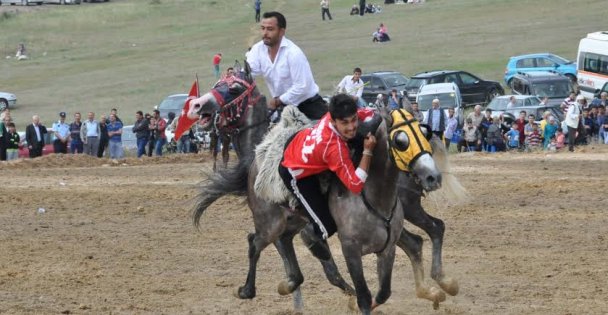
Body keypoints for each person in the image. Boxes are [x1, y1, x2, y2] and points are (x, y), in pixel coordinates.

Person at [279, 94, 377, 245]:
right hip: (294, 170)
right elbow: (356, 185)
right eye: (345, 123)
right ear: (333, 121)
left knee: (358, 135)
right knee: (327, 227)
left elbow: (365, 113)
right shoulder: (334, 149)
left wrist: (372, 114)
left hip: (302, 141)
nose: (351, 127)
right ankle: (309, 234)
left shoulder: (331, 114)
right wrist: (368, 152)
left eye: (353, 120)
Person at [246, 11, 328, 120]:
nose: (265, 33)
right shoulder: (258, 49)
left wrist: (278, 100)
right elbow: (249, 72)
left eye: (270, 29)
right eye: (263, 28)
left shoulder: (293, 53)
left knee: (323, 134)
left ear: (281, 32)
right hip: (283, 109)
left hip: (309, 107)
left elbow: (302, 87)